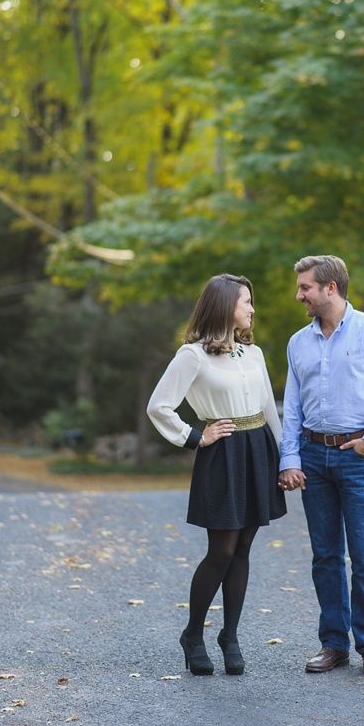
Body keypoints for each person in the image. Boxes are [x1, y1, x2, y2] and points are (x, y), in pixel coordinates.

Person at [277, 255, 364, 677]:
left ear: (330, 288)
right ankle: (333, 644)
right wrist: (290, 458)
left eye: (306, 288)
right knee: (325, 556)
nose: (299, 295)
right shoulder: (298, 342)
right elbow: (293, 406)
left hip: (359, 457)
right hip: (314, 457)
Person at [147, 273, 286, 676]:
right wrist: (195, 436)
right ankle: (193, 634)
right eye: (246, 301)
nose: (252, 309)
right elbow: (159, 405)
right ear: (226, 306)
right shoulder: (193, 355)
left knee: (242, 549)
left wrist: (284, 458)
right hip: (222, 453)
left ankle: (231, 635)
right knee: (222, 550)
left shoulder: (253, 354)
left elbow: (268, 409)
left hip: (258, 449)